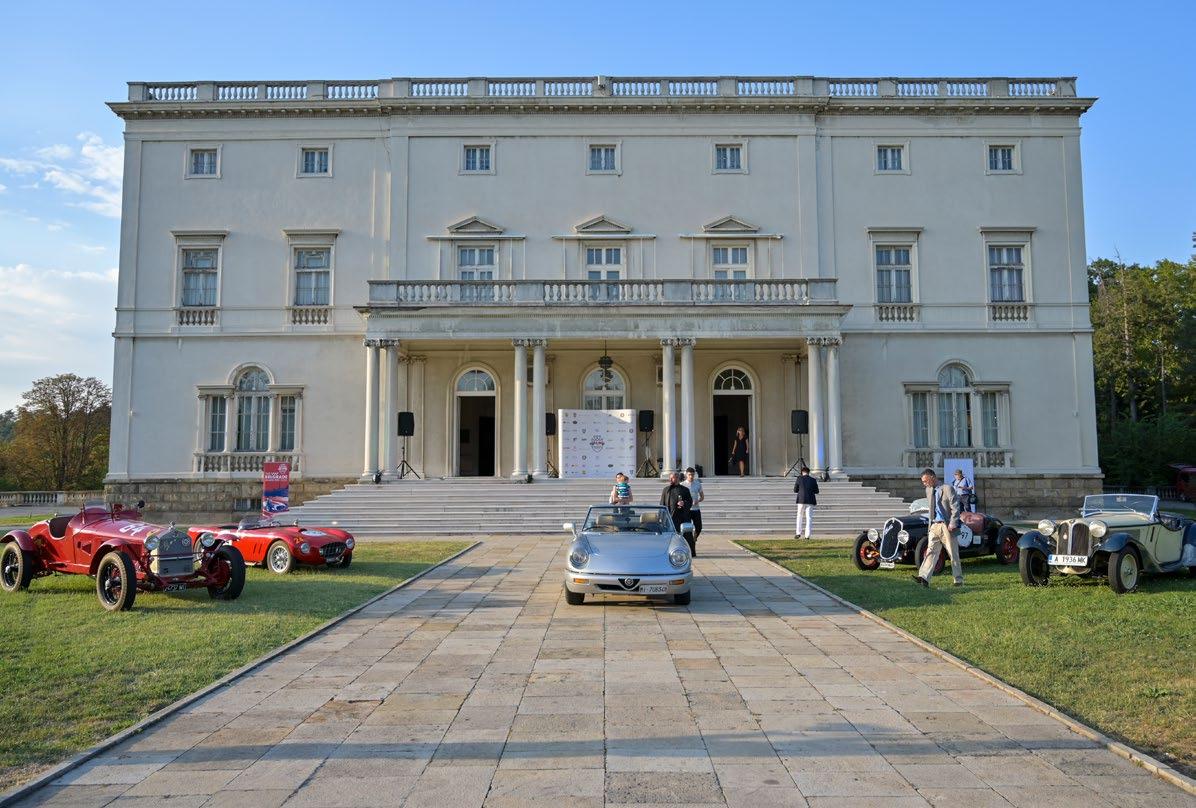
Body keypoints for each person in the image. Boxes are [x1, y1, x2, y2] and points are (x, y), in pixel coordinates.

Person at [914, 468, 964, 587]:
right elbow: (932, 508)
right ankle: (924, 578)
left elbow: (955, 507)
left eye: (925, 481)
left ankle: (958, 580)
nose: (924, 484)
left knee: (952, 553)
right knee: (931, 551)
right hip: (934, 525)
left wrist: (953, 522)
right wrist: (930, 525)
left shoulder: (947, 488)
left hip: (947, 526)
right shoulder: (928, 490)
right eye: (923, 482)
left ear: (932, 477)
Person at [660, 471, 695, 555]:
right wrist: (660, 516)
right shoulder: (666, 490)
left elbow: (690, 502)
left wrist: (684, 503)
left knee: (685, 536)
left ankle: (689, 552)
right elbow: (662, 504)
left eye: (673, 478)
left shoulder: (685, 490)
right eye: (670, 478)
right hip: (669, 517)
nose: (671, 479)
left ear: (678, 478)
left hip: (682, 517)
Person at [793, 465, 819, 539]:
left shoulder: (799, 478)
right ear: (808, 472)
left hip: (801, 500)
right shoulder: (813, 480)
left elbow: (795, 490)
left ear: (802, 472)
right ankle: (807, 536)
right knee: (809, 518)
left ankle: (798, 533)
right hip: (810, 500)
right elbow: (817, 491)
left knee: (799, 516)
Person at [683, 467, 704, 546]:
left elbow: (702, 497)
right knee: (687, 528)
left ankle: (694, 538)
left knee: (699, 527)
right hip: (687, 510)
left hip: (696, 509)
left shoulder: (697, 484)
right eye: (689, 475)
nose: (691, 476)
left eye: (692, 475)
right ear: (686, 475)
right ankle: (688, 542)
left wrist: (698, 500)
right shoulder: (682, 484)